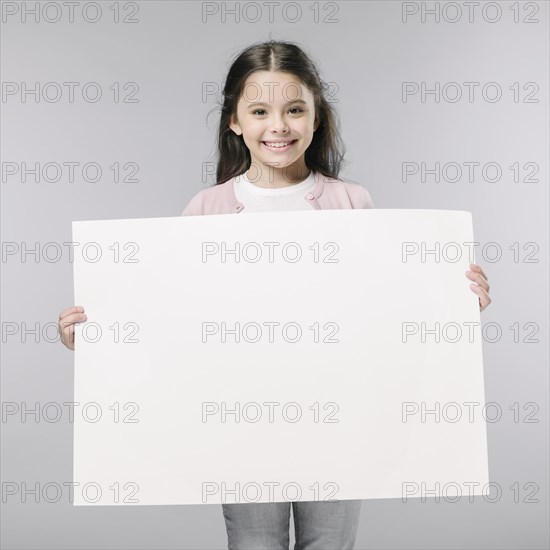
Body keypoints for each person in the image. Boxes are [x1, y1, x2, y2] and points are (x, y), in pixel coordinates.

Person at [58, 39, 492, 550]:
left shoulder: (351, 203)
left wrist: (455, 303)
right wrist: (95, 337)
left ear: (315, 117)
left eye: (294, 110)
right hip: (241, 423)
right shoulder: (208, 208)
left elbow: (385, 315)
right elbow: (167, 324)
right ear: (235, 121)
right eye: (260, 111)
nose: (279, 126)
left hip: (338, 418)